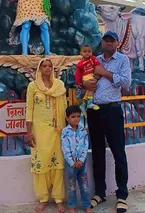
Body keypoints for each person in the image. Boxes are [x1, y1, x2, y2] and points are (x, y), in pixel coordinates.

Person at [83, 31, 131, 213]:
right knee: (97, 153)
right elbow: (83, 81)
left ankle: (122, 195)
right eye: (106, 40)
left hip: (112, 110)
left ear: (117, 43)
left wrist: (106, 73)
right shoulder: (93, 59)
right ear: (102, 42)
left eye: (112, 41)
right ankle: (100, 192)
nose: (109, 43)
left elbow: (126, 82)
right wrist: (84, 85)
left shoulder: (123, 60)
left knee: (118, 152)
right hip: (94, 111)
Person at [26, 58, 67, 213]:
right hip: (39, 130)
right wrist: (29, 132)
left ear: (53, 68)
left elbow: (65, 107)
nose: (47, 68)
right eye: (44, 66)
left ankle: (58, 199)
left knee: (58, 164)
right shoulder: (33, 86)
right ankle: (43, 198)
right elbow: (29, 109)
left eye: (50, 66)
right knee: (41, 164)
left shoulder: (59, 85)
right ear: (39, 68)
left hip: (57, 130)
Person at [61, 105, 93, 213]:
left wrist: (81, 160)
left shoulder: (83, 131)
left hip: (81, 163)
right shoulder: (65, 132)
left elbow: (85, 146)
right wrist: (71, 162)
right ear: (67, 118)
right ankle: (72, 206)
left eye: (78, 116)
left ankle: (87, 205)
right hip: (70, 165)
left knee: (84, 185)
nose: (76, 119)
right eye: (73, 116)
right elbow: (65, 148)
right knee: (71, 186)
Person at [75, 45, 101, 117]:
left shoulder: (93, 59)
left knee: (88, 91)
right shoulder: (80, 64)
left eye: (89, 51)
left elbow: (98, 65)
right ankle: (89, 103)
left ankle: (83, 104)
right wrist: (79, 82)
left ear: (92, 52)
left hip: (92, 75)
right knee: (92, 87)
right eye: (84, 51)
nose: (87, 53)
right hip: (86, 76)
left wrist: (97, 74)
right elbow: (78, 74)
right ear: (81, 53)